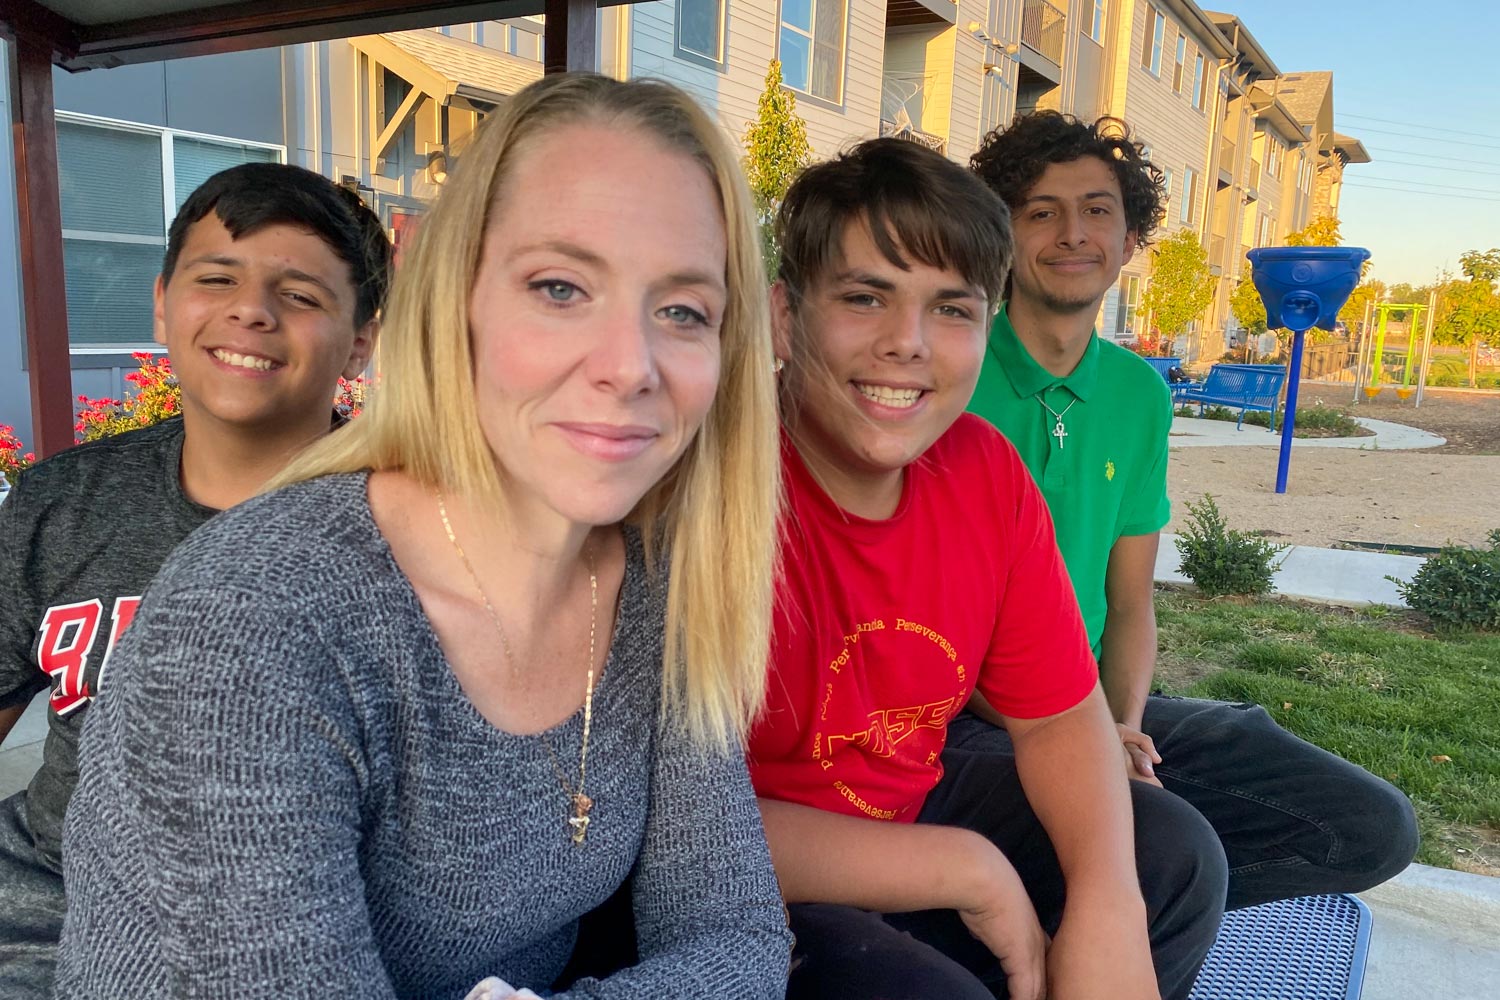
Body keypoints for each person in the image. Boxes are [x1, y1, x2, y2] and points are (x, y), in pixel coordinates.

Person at [55, 73, 791, 999]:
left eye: (683, 311)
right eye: (560, 287)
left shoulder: (657, 583)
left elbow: (739, 939)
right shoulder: (252, 626)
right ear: (457, 299)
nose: (629, 366)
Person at [748, 137, 1226, 1000]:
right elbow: (659, 823)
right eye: (866, 297)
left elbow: (1056, 717)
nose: (908, 344)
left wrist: (1107, 905)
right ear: (786, 317)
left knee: (1171, 858)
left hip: (908, 799)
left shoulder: (982, 469)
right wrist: (965, 870)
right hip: (744, 868)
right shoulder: (723, 485)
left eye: (953, 310)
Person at [964, 110, 1417, 912]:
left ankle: (1106, 915)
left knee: (1372, 828)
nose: (1073, 233)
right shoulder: (952, 377)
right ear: (1002, 234)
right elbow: (934, 625)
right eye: (1041, 210)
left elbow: (1132, 601)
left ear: (1130, 239)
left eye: (1098, 210)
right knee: (1174, 849)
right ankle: (1111, 908)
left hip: (1097, 703)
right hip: (970, 716)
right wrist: (1082, 743)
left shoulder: (1139, 392)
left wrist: (1121, 723)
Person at [0, 161, 390, 999]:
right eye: (216, 278)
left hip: (287, 925)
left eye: (301, 294)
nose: (251, 310)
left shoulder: (407, 528)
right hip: (42, 898)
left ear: (361, 338)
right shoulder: (61, 502)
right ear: (162, 301)